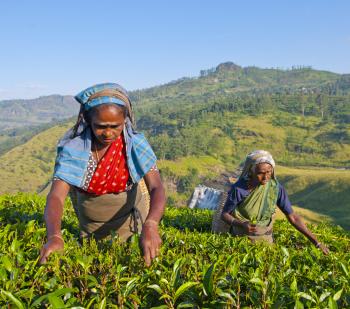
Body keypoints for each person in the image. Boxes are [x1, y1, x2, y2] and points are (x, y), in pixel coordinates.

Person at [39, 83, 166, 266]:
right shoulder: (74, 150)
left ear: (126, 121)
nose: (108, 133)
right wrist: (55, 236)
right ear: (88, 121)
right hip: (90, 227)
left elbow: (156, 187)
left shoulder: (134, 146)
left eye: (115, 126)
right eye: (100, 126)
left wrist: (151, 224)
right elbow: (56, 197)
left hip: (132, 224)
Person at [221, 150, 329, 254]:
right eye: (260, 173)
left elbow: (293, 217)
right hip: (241, 241)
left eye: (269, 172)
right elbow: (224, 215)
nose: (265, 177)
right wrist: (241, 224)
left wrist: (317, 243)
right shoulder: (239, 189)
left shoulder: (275, 188)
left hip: (266, 242)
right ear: (251, 171)